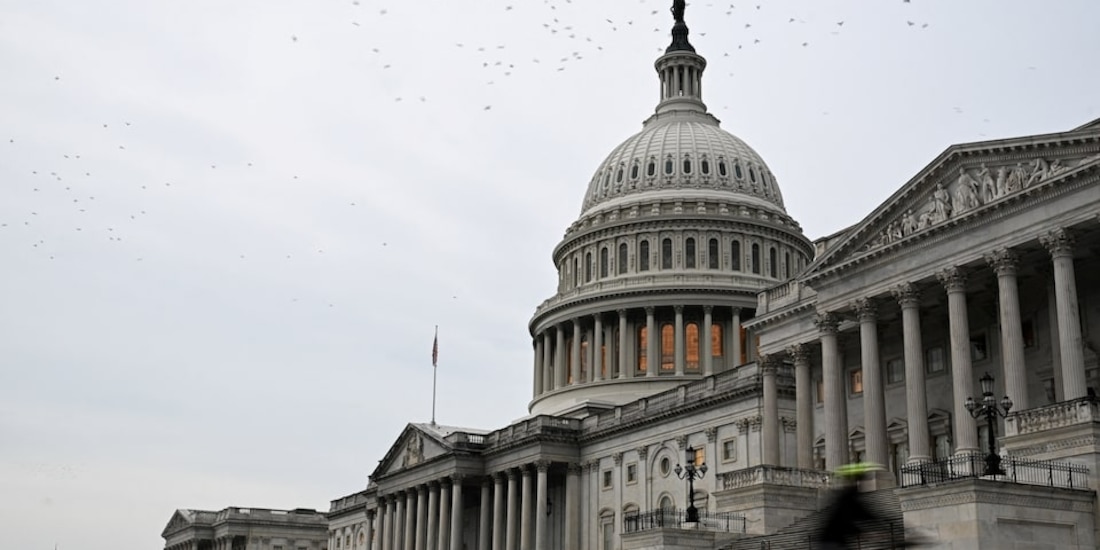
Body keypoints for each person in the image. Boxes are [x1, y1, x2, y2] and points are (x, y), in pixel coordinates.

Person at [814, 462, 884, 549]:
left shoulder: (852, 497)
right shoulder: (848, 498)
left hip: (837, 540)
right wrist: (866, 534)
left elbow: (868, 515)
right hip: (831, 542)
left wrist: (883, 524)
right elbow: (846, 519)